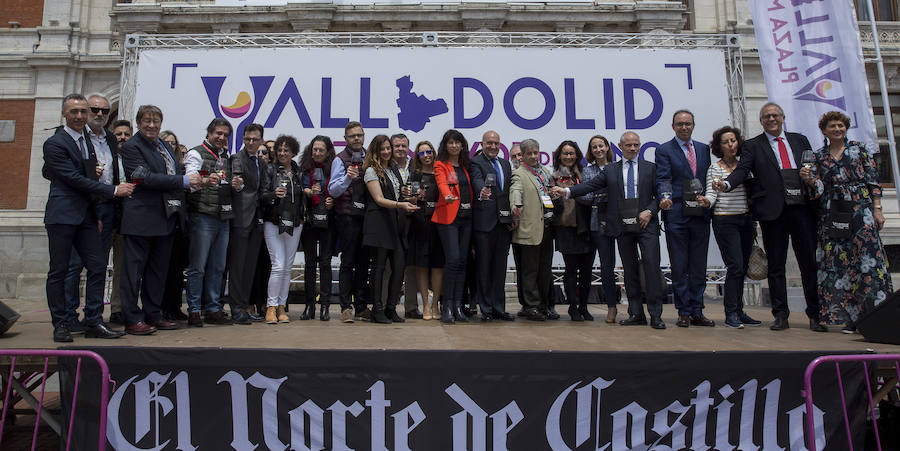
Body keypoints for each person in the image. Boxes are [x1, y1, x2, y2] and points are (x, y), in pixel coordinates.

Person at [712, 102, 823, 332]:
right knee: (776, 266)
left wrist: (810, 175)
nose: (771, 119)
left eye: (775, 116)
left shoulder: (800, 140)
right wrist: (727, 183)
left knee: (809, 264)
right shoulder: (753, 145)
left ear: (783, 118)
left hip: (801, 209)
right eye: (766, 117)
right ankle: (781, 314)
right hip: (773, 213)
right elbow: (742, 170)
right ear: (761, 121)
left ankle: (815, 314)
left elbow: (814, 166)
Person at [553, 131, 666, 330]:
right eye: (628, 145)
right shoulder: (612, 170)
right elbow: (590, 185)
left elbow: (660, 195)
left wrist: (650, 211)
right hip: (622, 226)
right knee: (629, 270)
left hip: (646, 224)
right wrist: (567, 191)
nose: (632, 148)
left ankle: (655, 315)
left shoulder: (651, 168)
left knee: (650, 267)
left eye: (636, 145)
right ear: (620, 147)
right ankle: (636, 313)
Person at [43, 93, 133, 342]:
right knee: (60, 271)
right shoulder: (55, 143)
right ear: (65, 114)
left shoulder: (94, 141)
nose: (81, 116)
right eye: (76, 112)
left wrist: (97, 214)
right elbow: (75, 179)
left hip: (89, 215)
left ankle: (93, 320)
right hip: (62, 215)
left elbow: (92, 179)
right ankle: (61, 323)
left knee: (97, 266)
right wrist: (113, 191)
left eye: (84, 111)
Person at [808, 111, 892, 332]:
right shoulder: (819, 155)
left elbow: (873, 180)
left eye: (841, 125)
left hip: (860, 210)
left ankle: (874, 315)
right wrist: (809, 180)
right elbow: (817, 190)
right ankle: (849, 319)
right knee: (839, 265)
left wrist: (877, 209)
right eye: (832, 126)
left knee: (866, 262)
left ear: (846, 128)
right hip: (832, 212)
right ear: (824, 130)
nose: (837, 129)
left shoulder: (859, 149)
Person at [120, 104, 199, 335]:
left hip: (166, 218)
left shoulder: (163, 145)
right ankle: (132, 317)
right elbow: (143, 178)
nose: (152, 125)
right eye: (147, 121)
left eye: (156, 121)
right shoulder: (132, 147)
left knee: (157, 271)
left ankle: (153, 314)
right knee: (133, 273)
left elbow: (172, 172)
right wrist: (184, 181)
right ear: (138, 122)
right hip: (141, 218)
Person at [61, 93, 123, 334]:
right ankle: (68, 317)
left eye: (104, 111)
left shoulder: (109, 137)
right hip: (82, 207)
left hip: (107, 205)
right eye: (94, 109)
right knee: (74, 266)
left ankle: (94, 318)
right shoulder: (71, 138)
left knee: (98, 266)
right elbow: (51, 171)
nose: (99, 114)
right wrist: (88, 177)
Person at [698, 127, 761, 329]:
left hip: (746, 220)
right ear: (719, 146)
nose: (731, 145)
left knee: (742, 268)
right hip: (725, 220)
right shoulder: (715, 168)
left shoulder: (746, 166)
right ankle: (731, 313)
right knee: (734, 266)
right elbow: (711, 194)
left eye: (733, 140)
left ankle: (740, 311)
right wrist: (706, 201)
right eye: (726, 142)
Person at [656, 110, 714, 327]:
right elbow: (663, 178)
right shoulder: (664, 150)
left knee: (699, 264)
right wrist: (665, 197)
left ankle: (698, 309)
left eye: (687, 123)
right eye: (679, 124)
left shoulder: (703, 149)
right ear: (673, 127)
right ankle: (684, 311)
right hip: (677, 212)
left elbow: (707, 176)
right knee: (680, 264)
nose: (684, 127)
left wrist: (709, 198)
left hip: (700, 212)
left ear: (693, 125)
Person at [182, 118, 234, 327]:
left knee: (218, 267)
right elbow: (189, 182)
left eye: (225, 135)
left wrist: (235, 184)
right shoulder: (195, 153)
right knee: (198, 266)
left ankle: (213, 308)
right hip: (202, 215)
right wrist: (205, 181)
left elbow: (225, 185)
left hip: (222, 217)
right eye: (218, 134)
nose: (221, 138)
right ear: (209, 133)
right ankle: (194, 309)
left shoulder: (226, 157)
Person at [362, 135, 419, 324]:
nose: (387, 152)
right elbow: (378, 199)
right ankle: (377, 310)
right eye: (383, 149)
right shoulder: (371, 171)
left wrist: (408, 199)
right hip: (379, 223)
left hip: (396, 224)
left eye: (388, 148)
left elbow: (397, 194)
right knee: (378, 268)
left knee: (399, 267)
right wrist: (400, 205)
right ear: (375, 151)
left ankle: (390, 308)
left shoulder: (393, 168)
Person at [330, 121, 374, 322]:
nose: (356, 138)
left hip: (367, 217)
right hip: (347, 216)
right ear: (346, 139)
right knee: (347, 262)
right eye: (352, 136)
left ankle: (362, 305)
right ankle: (345, 307)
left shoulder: (371, 158)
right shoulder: (340, 160)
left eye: (359, 135)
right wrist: (347, 178)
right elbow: (333, 190)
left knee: (364, 263)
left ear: (363, 136)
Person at [469, 130, 515, 322]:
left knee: (499, 268)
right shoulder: (475, 162)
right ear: (482, 144)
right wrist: (483, 190)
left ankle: (499, 308)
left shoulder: (505, 164)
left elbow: (509, 192)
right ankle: (486, 309)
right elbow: (477, 181)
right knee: (484, 268)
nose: (493, 146)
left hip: (504, 223)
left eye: (496, 143)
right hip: (484, 223)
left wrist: (513, 215)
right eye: (489, 143)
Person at [510, 139, 558, 321]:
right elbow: (515, 190)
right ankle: (531, 306)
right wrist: (516, 204)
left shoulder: (545, 172)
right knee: (529, 270)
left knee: (545, 270)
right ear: (522, 155)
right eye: (529, 153)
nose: (533, 156)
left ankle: (544, 305)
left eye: (535, 153)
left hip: (547, 227)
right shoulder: (519, 174)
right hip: (529, 228)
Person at [225, 123, 268, 325]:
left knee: (250, 266)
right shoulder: (237, 159)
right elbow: (237, 178)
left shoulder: (262, 163)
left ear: (261, 140)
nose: (250, 142)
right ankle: (236, 307)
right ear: (243, 139)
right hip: (241, 218)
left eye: (254, 139)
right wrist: (237, 184)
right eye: (247, 139)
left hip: (257, 220)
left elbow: (263, 189)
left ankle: (245, 305)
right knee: (238, 266)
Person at [261, 135, 304, 324]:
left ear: (293, 152)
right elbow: (261, 195)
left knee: (287, 267)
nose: (282, 153)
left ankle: (281, 307)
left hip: (295, 222)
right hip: (273, 221)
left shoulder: (298, 171)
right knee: (277, 265)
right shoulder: (269, 169)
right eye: (279, 150)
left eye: (286, 150)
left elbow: (303, 195)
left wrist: (302, 216)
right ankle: (270, 307)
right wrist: (273, 194)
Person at [432, 129, 474, 324]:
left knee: (463, 261)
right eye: (451, 143)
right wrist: (446, 194)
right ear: (445, 146)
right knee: (453, 259)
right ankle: (446, 305)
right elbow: (441, 183)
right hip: (448, 217)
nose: (454, 146)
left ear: (462, 145)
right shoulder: (441, 164)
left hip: (466, 217)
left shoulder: (466, 166)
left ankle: (458, 305)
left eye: (457, 142)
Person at [551, 140, 594, 321]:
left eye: (571, 153)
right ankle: (572, 307)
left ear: (577, 155)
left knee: (586, 270)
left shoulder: (587, 174)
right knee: (570, 270)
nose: (568, 157)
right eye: (565, 153)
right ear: (559, 156)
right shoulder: (553, 176)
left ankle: (584, 306)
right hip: (566, 227)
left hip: (587, 226)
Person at [576, 135, 616, 322]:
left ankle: (634, 306)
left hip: (619, 219)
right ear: (590, 151)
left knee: (627, 265)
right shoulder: (588, 170)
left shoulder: (617, 167)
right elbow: (586, 195)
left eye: (601, 146)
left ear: (608, 147)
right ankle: (611, 307)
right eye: (594, 147)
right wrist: (602, 193)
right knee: (605, 266)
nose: (598, 150)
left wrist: (599, 192)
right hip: (596, 221)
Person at [407, 141, 445, 320]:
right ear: (417, 156)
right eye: (422, 153)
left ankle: (435, 303)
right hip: (419, 224)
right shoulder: (413, 175)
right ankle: (425, 305)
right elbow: (408, 201)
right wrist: (415, 198)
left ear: (434, 153)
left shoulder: (441, 173)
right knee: (421, 266)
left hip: (439, 224)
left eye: (429, 151)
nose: (426, 155)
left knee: (438, 266)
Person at [300, 135, 336, 322]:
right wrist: (306, 191)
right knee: (309, 263)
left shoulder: (334, 169)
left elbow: (340, 189)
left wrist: (332, 200)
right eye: (315, 149)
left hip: (328, 221)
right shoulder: (304, 168)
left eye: (321, 150)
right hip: (309, 221)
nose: (317, 153)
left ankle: (325, 306)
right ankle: (309, 306)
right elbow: (298, 188)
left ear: (328, 152)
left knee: (325, 263)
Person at [158, 129, 189, 322]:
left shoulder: (181, 167)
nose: (170, 145)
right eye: (166, 142)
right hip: (162, 218)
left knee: (177, 268)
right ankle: (161, 307)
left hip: (180, 221)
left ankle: (175, 306)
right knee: (162, 267)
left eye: (173, 143)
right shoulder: (162, 166)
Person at [391, 133, 422, 319]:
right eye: (397, 146)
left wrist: (417, 196)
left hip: (414, 220)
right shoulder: (386, 165)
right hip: (393, 219)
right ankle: (389, 305)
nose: (400, 149)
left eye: (403, 146)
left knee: (411, 265)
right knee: (390, 266)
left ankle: (411, 307)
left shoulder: (415, 165)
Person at [108, 119, 133, 325]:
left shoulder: (133, 159)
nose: (122, 137)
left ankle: (117, 309)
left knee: (121, 267)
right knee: (97, 267)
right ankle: (93, 311)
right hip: (105, 216)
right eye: (119, 134)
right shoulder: (105, 157)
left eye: (126, 134)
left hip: (126, 219)